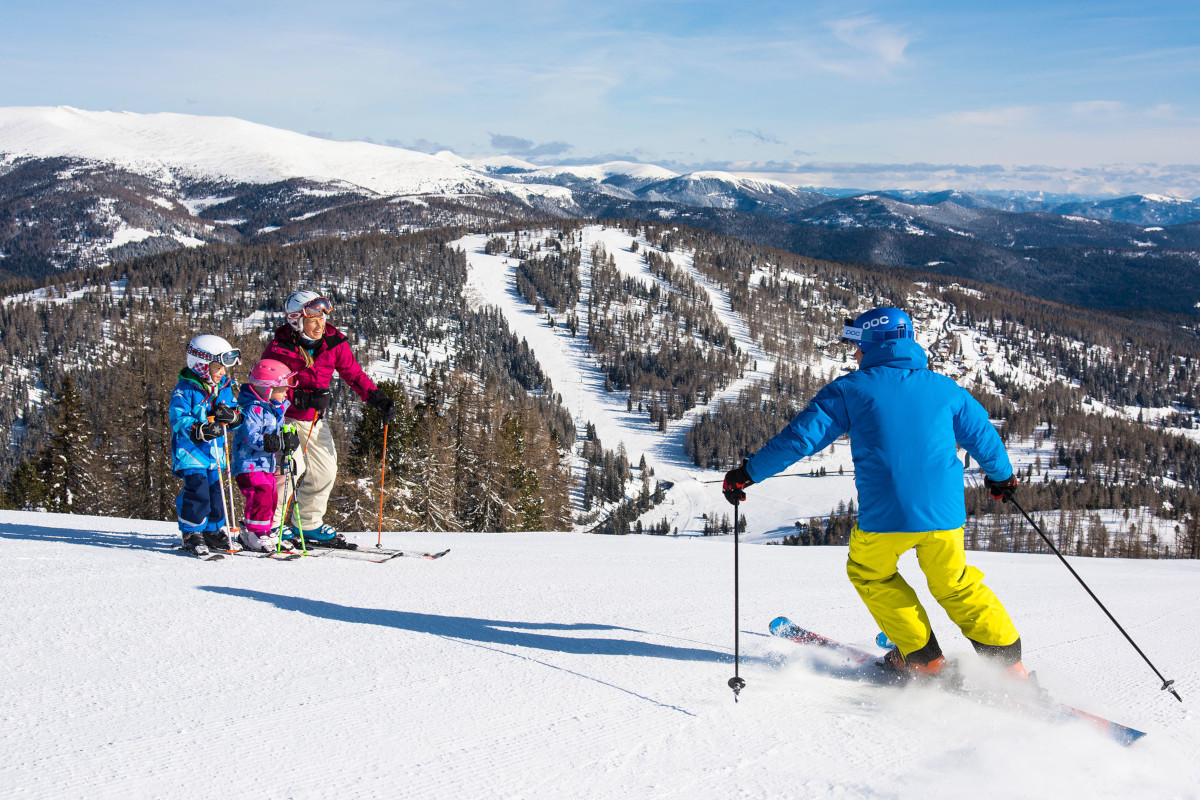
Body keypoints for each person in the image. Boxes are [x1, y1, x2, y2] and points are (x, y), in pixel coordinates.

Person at [723, 307, 1025, 679]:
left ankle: (925, 660)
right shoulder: (945, 389)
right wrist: (1002, 478)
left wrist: (747, 474)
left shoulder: (849, 390)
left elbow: (799, 440)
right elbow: (984, 437)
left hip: (886, 516)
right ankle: (1010, 666)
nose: (854, 355)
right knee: (955, 582)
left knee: (871, 573)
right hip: (945, 516)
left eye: (857, 347)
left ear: (872, 343)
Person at [261, 290, 396, 549]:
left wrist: (377, 398)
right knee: (290, 467)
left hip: (313, 419)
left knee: (325, 470)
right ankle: (270, 525)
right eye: (313, 320)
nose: (319, 325)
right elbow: (265, 384)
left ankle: (307, 523)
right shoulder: (279, 347)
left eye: (322, 318)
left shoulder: (333, 342)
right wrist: (301, 399)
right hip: (283, 417)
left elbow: (353, 373)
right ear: (296, 321)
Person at [169, 334, 245, 555]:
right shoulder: (185, 389)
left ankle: (212, 530)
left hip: (216, 453)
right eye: (217, 367)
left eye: (224, 367)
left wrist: (231, 417)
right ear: (201, 365)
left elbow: (236, 413)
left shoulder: (224, 387)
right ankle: (192, 531)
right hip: (192, 453)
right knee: (198, 492)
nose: (223, 371)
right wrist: (199, 429)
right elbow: (178, 417)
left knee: (216, 493)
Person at [231, 359, 302, 552]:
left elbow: (276, 433)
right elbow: (252, 437)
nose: (286, 393)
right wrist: (274, 442)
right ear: (267, 389)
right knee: (260, 493)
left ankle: (265, 529)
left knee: (271, 494)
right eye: (282, 390)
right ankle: (254, 532)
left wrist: (287, 438)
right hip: (248, 463)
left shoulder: (273, 409)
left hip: (264, 463)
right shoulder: (252, 409)